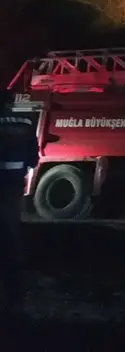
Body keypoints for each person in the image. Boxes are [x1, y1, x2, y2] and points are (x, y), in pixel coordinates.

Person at [0, 88, 39, 319]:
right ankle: (15, 292)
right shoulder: (25, 121)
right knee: (11, 236)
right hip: (13, 185)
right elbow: (33, 158)